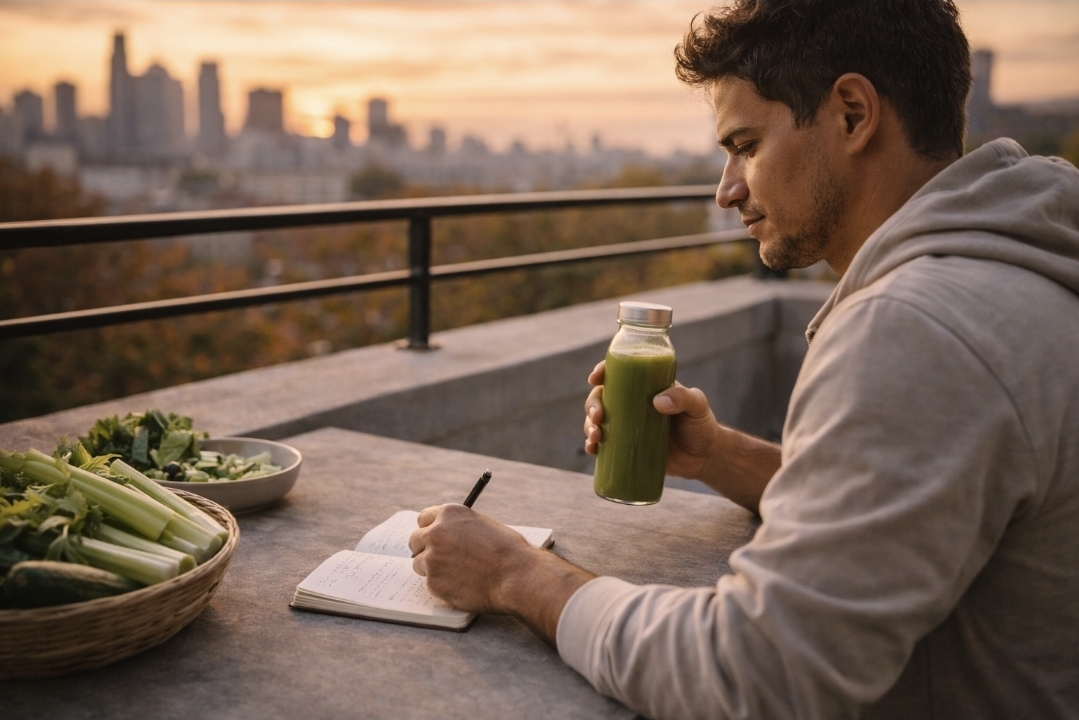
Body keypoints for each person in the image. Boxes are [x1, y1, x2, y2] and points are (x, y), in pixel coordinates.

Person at [408, 0, 1079, 717]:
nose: (726, 190)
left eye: (746, 145)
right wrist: (716, 456)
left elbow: (756, 674)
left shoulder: (918, 326)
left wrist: (517, 575)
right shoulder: (1015, 276)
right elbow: (914, 513)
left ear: (852, 113)